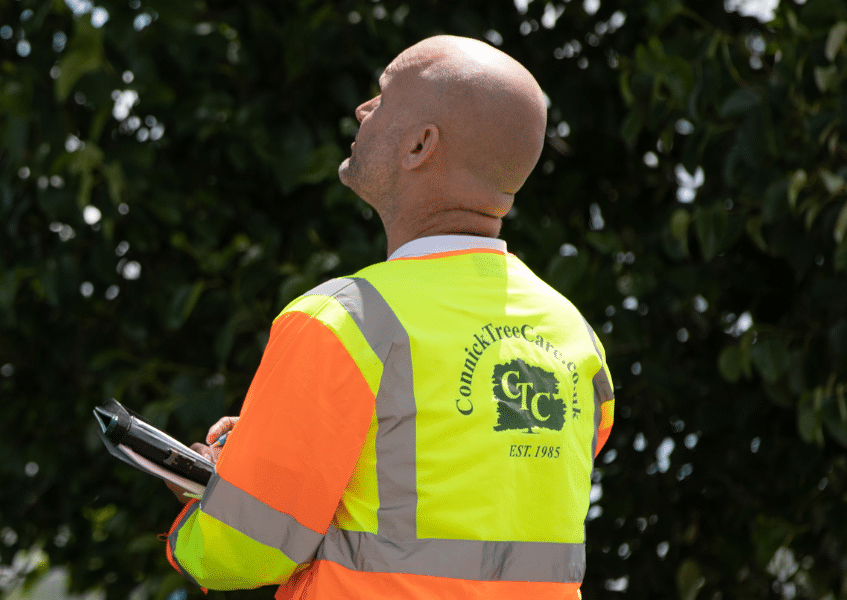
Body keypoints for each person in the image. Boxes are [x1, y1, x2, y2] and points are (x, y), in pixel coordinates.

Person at [161, 35, 616, 598]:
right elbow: (476, 481)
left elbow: (242, 550)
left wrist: (211, 501)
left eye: (383, 96)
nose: (362, 109)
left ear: (420, 145)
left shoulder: (341, 322)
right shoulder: (574, 335)